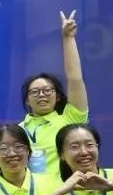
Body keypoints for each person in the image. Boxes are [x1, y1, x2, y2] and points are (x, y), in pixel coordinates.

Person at [20, 10, 89, 174]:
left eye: (47, 90)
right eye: (35, 92)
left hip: (67, 190)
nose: (41, 95)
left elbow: (75, 79)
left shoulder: (71, 119)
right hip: (30, 191)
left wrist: (68, 38)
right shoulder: (18, 131)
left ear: (57, 96)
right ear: (27, 99)